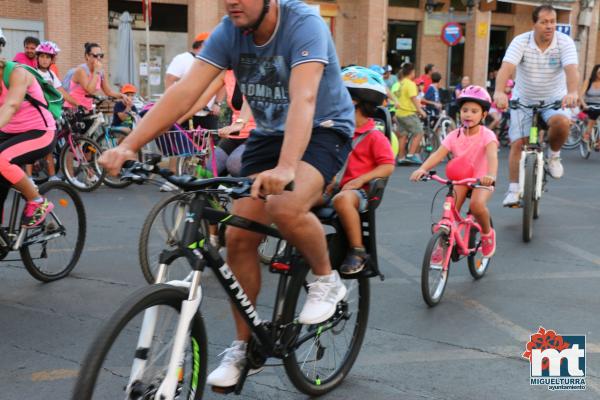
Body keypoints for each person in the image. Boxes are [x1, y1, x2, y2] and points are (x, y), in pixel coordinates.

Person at [99, 0, 355, 388]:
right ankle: (242, 345)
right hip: (268, 136)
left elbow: (304, 99)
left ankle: (326, 279)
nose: (232, 2)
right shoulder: (229, 30)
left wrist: (286, 168)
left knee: (285, 205)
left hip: (323, 128)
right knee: (238, 237)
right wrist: (129, 145)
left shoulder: (303, 23)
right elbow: (186, 92)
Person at [494, 4, 578, 207]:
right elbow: (506, 69)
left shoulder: (564, 42)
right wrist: (498, 91)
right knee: (517, 143)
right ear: (534, 24)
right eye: (544, 22)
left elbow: (571, 70)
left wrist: (573, 92)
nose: (549, 26)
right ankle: (514, 190)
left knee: (562, 123)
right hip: (523, 100)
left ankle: (554, 156)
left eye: (552, 22)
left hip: (553, 100)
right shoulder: (521, 41)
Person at [410, 85, 498, 257]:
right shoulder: (454, 135)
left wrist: (491, 176)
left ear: (484, 115)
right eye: (465, 110)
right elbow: (438, 154)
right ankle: (444, 242)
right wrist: (422, 168)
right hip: (460, 180)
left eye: (474, 111)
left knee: (477, 205)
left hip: (481, 180)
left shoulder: (487, 135)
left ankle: (488, 234)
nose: (468, 114)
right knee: (449, 209)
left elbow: (492, 157)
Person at [329, 66, 394, 274]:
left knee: (343, 199)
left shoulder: (374, 136)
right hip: (333, 186)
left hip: (359, 193)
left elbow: (387, 166)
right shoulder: (336, 131)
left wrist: (359, 180)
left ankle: (358, 251)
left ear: (353, 101)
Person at [161, 32, 225, 191]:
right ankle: (172, 176)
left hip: (207, 110)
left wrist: (217, 103)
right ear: (202, 45)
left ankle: (205, 177)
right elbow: (170, 79)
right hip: (185, 108)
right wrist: (173, 101)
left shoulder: (215, 61)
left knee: (209, 145)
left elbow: (223, 82)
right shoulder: (182, 59)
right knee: (180, 141)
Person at [0, 59, 56, 227]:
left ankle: (37, 200)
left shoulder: (17, 73)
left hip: (39, 132)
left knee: (1, 160)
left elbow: (11, 105)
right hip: (8, 132)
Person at [32, 41, 79, 182]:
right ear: (38, 57)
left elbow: (61, 91)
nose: (45, 60)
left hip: (50, 113)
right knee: (47, 144)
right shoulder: (34, 73)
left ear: (52, 59)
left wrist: (76, 103)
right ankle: (50, 175)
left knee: (51, 144)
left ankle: (52, 175)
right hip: (37, 113)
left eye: (48, 57)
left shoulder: (52, 75)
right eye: (42, 56)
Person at [66, 42, 129, 112]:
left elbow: (108, 92)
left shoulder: (100, 72)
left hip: (87, 108)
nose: (99, 58)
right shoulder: (81, 71)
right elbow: (90, 90)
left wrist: (122, 96)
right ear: (87, 56)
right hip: (73, 109)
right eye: (95, 56)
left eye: (101, 55)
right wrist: (96, 71)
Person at [395, 62, 426, 164]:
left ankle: (401, 157)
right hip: (408, 113)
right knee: (419, 132)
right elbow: (413, 98)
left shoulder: (400, 83)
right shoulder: (410, 84)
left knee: (403, 135)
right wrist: (421, 111)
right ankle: (411, 155)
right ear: (412, 72)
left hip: (399, 113)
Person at [580, 64, 600, 151]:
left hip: (599, 105)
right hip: (588, 104)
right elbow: (580, 96)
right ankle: (587, 134)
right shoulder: (588, 82)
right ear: (595, 72)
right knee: (594, 113)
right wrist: (584, 105)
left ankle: (598, 142)